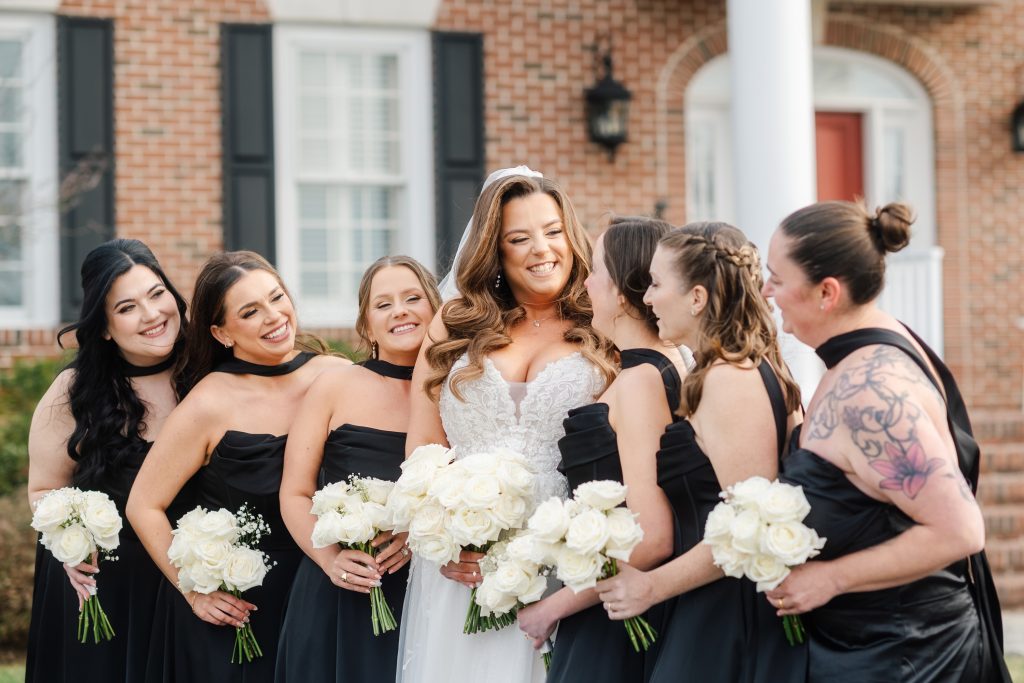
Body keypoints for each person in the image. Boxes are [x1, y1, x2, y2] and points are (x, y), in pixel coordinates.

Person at [760, 200, 1011, 682]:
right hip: (869, 645)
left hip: (910, 657)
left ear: (826, 293)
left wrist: (829, 578)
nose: (768, 291)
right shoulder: (868, 349)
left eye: (778, 278)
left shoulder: (873, 394)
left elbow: (959, 530)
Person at [396, 167, 615, 682]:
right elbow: (423, 447)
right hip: (462, 558)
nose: (542, 249)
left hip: (560, 552)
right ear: (496, 251)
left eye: (553, 231)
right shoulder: (452, 324)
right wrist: (445, 541)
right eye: (520, 238)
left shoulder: (602, 324)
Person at [595, 222, 805, 682]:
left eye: (655, 284)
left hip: (728, 615)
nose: (646, 299)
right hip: (707, 604)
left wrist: (650, 586)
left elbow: (748, 529)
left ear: (696, 297)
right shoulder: (726, 369)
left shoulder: (731, 379)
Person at [126, 251, 349, 683]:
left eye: (276, 298)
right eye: (250, 311)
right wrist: (193, 589)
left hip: (327, 593)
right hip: (237, 615)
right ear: (221, 333)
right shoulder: (210, 402)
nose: (274, 316)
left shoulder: (338, 374)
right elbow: (143, 505)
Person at [517, 216, 682, 682]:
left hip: (618, 619)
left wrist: (556, 605)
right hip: (605, 602)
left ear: (626, 291)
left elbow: (653, 536)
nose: (584, 280)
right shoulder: (634, 371)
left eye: (595, 269)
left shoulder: (640, 382)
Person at [24, 238, 188, 682]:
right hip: (101, 591)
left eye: (157, 294)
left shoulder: (209, 373)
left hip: (189, 584)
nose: (152, 315)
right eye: (128, 307)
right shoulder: (73, 392)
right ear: (104, 327)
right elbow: (43, 489)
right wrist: (71, 545)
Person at [275, 256, 440, 682]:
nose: (399, 310)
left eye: (412, 298)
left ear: (436, 308)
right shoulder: (335, 385)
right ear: (366, 326)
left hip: (422, 593)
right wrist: (331, 561)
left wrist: (418, 532)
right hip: (336, 591)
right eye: (383, 304)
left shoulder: (457, 392)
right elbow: (294, 491)